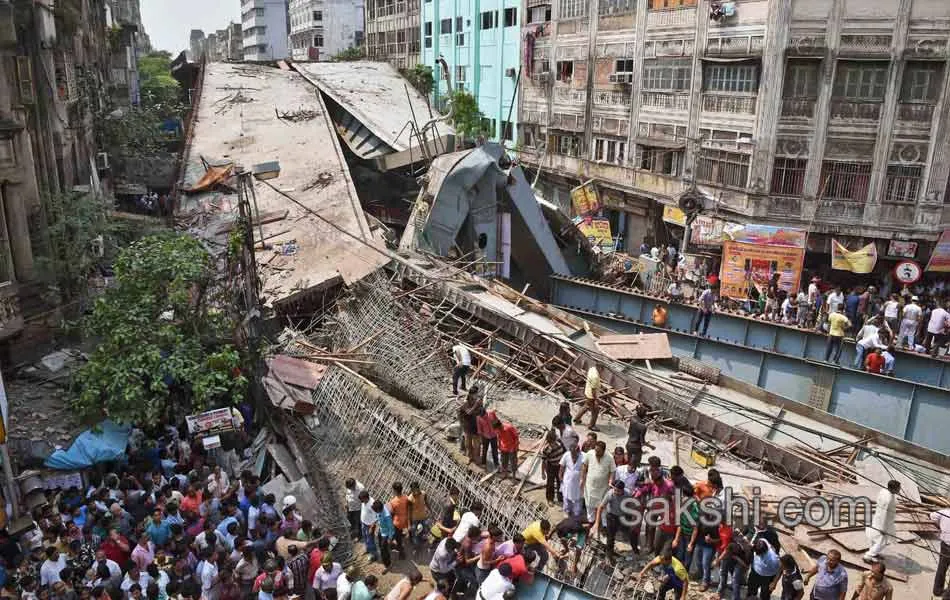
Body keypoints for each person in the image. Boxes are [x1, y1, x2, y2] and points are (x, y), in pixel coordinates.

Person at [591, 481, 632, 564]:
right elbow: (600, 507)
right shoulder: (610, 494)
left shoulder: (627, 494)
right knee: (610, 537)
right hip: (612, 517)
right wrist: (597, 522)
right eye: (615, 490)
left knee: (626, 530)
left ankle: (625, 543)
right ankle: (609, 555)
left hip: (622, 516)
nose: (616, 492)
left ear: (622, 490)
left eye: (618, 491)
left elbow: (631, 505)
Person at [864, 480, 900, 563]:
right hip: (883, 522)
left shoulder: (884, 491)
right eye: (898, 488)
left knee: (875, 538)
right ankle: (868, 556)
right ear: (894, 489)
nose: (899, 490)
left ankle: (873, 552)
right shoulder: (888, 499)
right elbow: (884, 513)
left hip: (878, 518)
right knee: (882, 541)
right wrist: (883, 528)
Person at [580, 441, 614, 523]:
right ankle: (591, 522)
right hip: (590, 486)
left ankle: (603, 525)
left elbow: (612, 471)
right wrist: (582, 479)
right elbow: (584, 466)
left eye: (598, 451)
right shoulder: (590, 453)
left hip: (603, 488)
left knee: (602, 507)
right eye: (595, 450)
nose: (596, 453)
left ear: (604, 450)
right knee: (589, 505)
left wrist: (610, 481)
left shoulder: (609, 457)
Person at [559, 444, 585, 517]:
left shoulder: (584, 456)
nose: (572, 455)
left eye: (574, 453)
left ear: (578, 452)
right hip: (568, 479)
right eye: (571, 453)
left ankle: (576, 512)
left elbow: (586, 468)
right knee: (566, 496)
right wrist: (560, 475)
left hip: (579, 481)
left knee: (578, 497)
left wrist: (583, 479)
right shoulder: (567, 455)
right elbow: (562, 466)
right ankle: (566, 510)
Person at [540, 430, 565, 506]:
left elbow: (564, 453)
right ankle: (550, 499)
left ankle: (560, 497)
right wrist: (543, 472)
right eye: (551, 442)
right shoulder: (547, 449)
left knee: (560, 482)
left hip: (560, 466)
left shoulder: (560, 443)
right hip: (551, 467)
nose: (553, 444)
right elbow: (543, 461)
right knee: (550, 483)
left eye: (554, 441)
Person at [625, 405, 654, 470]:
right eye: (645, 413)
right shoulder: (643, 427)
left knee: (629, 462)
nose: (646, 414)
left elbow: (630, 432)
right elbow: (642, 442)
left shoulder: (632, 419)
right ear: (643, 414)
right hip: (636, 447)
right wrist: (651, 446)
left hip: (628, 444)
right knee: (636, 464)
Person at [574, 366, 602, 431]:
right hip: (591, 396)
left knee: (586, 406)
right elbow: (593, 390)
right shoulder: (595, 377)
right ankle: (591, 426)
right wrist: (596, 400)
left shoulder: (592, 369)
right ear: (601, 368)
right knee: (595, 411)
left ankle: (577, 418)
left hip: (587, 392)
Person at [930, 506, 950, 597]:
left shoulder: (944, 512)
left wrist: (941, 525)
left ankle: (937, 590)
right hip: (946, 545)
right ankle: (947, 595)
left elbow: (932, 516)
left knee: (942, 568)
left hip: (945, 545)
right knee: (942, 568)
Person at [407, 482, 428, 546]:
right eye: (413, 490)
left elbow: (427, 502)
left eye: (416, 490)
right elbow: (409, 512)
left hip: (423, 517)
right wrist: (409, 524)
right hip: (415, 518)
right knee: (414, 531)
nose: (415, 492)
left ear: (419, 488)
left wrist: (430, 510)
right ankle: (416, 544)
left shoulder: (424, 494)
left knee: (425, 529)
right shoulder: (410, 499)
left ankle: (422, 539)